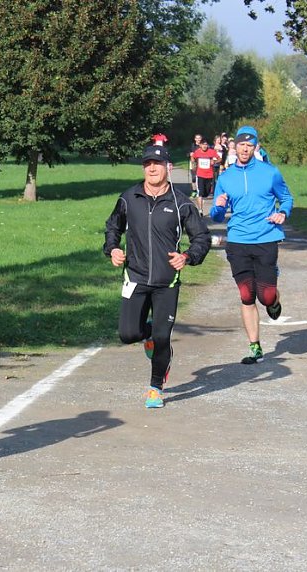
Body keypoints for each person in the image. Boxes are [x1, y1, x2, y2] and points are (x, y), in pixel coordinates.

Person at [104, 143, 212, 408]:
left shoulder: (181, 203)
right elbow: (112, 227)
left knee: (164, 338)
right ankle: (149, 334)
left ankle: (155, 388)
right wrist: (113, 249)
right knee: (128, 334)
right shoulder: (129, 198)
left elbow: (202, 237)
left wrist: (187, 256)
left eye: (157, 164)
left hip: (167, 281)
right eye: (147, 164)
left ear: (168, 168)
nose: (152, 168)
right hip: (136, 278)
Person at [209, 125, 293, 365]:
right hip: (238, 241)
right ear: (235, 147)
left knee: (265, 297)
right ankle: (254, 346)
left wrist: (282, 213)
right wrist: (218, 207)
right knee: (247, 294)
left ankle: (274, 299)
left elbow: (286, 197)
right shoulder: (225, 178)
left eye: (250, 145)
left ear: (256, 147)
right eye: (241, 144)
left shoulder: (270, 172)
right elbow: (216, 216)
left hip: (266, 237)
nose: (245, 149)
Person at [190, 137, 220, 211]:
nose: (204, 146)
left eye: (206, 144)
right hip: (200, 175)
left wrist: (214, 161)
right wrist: (194, 163)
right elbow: (192, 157)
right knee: (200, 193)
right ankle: (200, 210)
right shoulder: (197, 152)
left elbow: (219, 158)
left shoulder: (211, 152)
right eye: (203, 144)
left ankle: (202, 199)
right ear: (200, 145)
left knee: (206, 193)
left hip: (209, 175)